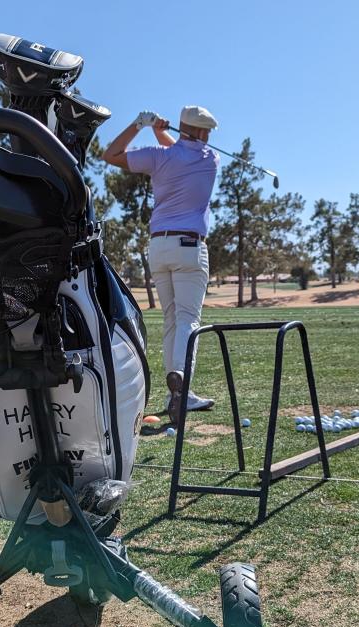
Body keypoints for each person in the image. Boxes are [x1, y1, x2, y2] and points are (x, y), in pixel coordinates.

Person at [102, 106, 219, 421]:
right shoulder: (210, 160)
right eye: (207, 131)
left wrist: (142, 124)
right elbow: (185, 151)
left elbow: (111, 154)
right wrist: (160, 131)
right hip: (190, 248)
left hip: (158, 247)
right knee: (187, 320)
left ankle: (176, 392)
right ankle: (181, 380)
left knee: (170, 320)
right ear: (202, 132)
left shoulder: (159, 156)